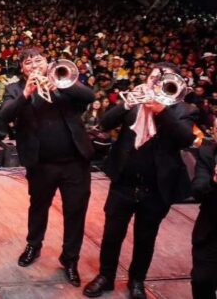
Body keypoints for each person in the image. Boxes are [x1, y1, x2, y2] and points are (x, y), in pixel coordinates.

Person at [83, 63, 198, 299]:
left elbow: (186, 138)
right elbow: (105, 123)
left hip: (156, 189)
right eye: (153, 77)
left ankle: (137, 280)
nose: (156, 82)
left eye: (162, 79)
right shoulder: (135, 100)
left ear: (175, 83)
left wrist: (162, 111)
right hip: (124, 183)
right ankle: (105, 276)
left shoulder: (184, 109)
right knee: (112, 234)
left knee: (145, 238)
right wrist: (126, 103)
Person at [0, 48, 95, 287]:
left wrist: (63, 86)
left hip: (75, 163)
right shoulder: (15, 89)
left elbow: (89, 96)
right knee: (38, 207)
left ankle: (70, 259)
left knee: (75, 212)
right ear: (22, 68)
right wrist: (26, 93)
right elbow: (4, 115)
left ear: (47, 63)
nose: (33, 65)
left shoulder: (63, 79)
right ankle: (34, 245)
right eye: (28, 62)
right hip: (40, 164)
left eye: (38, 60)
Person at [191, 137, 217, 299]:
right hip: (210, 232)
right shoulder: (207, 153)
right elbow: (198, 190)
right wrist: (213, 181)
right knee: (201, 281)